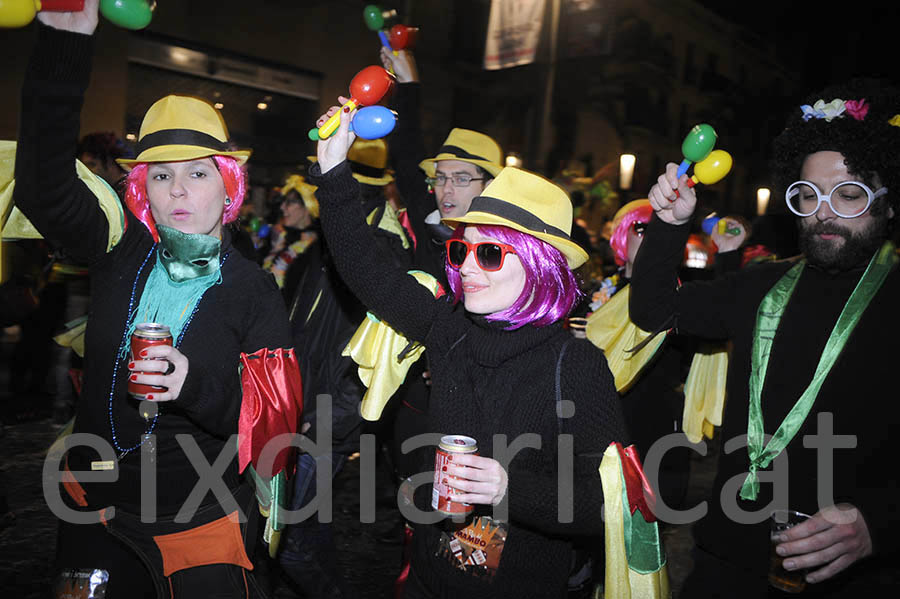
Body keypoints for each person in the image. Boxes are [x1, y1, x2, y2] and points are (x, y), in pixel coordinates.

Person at [13, 4, 300, 597]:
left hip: (200, 521)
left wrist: (191, 385)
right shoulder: (122, 249)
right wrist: (64, 43)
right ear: (142, 188)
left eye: (197, 174)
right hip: (95, 513)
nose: (178, 192)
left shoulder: (252, 288)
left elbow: (268, 428)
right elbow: (42, 184)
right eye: (162, 176)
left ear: (230, 186)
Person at [309, 102, 628, 598]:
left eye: (491, 252)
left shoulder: (577, 366)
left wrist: (507, 489)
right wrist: (333, 172)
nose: (469, 266)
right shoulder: (449, 329)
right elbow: (368, 271)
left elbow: (608, 505)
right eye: (462, 249)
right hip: (428, 578)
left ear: (540, 265)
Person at [631, 79, 900, 596]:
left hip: (850, 576)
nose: (824, 211)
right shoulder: (761, 285)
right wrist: (667, 227)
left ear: (888, 204)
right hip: (727, 564)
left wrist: (879, 526)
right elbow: (654, 311)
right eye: (807, 195)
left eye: (849, 194)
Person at [262, 174, 319, 300]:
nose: (283, 208)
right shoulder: (282, 238)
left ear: (307, 206)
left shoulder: (317, 248)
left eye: (290, 202)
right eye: (283, 202)